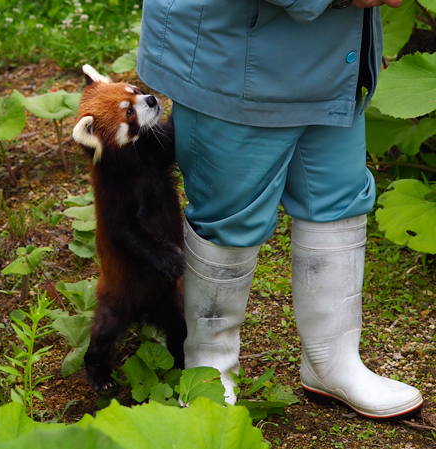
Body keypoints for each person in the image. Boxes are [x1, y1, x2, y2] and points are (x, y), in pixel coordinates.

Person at [136, 0, 423, 419]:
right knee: (230, 214)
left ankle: (333, 361)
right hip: (233, 53)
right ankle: (209, 369)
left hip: (334, 57)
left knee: (338, 200)